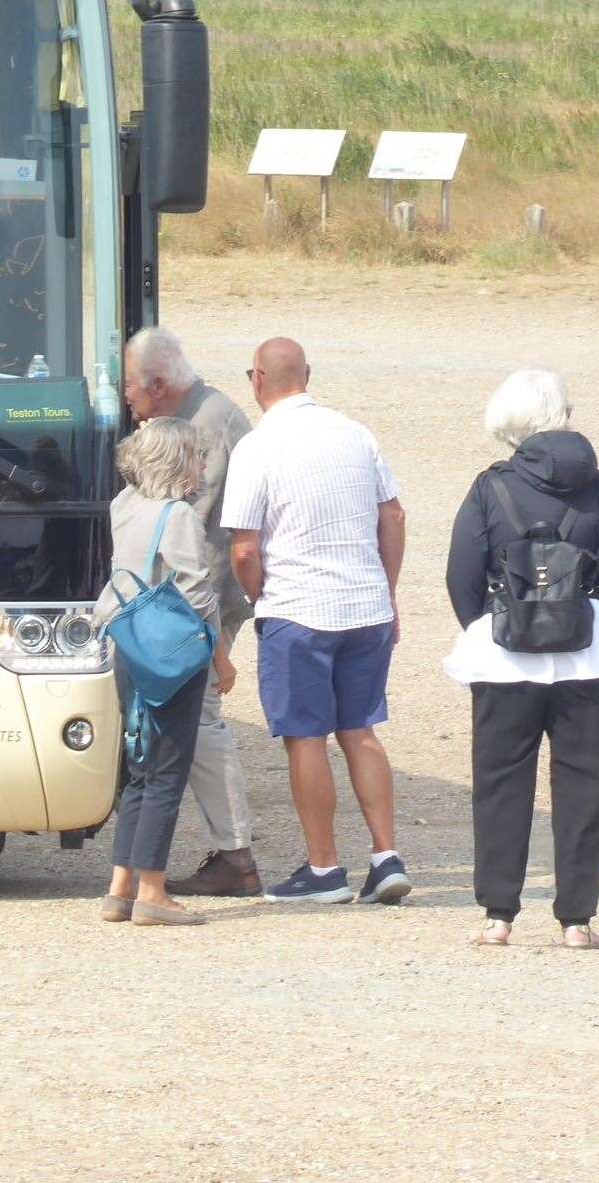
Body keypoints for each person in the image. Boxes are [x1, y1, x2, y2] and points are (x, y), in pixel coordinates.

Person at [442, 369, 599, 949]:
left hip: (506, 658)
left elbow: (461, 575)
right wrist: (594, 619)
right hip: (586, 656)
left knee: (500, 783)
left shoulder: (489, 486)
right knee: (582, 784)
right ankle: (577, 920)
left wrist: (494, 625)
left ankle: (498, 916)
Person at [220, 337, 412, 906]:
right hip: (365, 606)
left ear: (255, 379)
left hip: (297, 608)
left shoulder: (257, 448)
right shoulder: (356, 434)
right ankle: (386, 855)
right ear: (308, 374)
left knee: (305, 737)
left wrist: (262, 597)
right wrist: (388, 590)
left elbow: (243, 550)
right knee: (360, 729)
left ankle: (325, 867)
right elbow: (393, 513)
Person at [121, 326, 262, 897]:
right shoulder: (201, 414)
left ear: (156, 385)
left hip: (191, 613)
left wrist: (215, 645)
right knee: (187, 727)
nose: (123, 394)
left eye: (129, 384)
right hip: (183, 610)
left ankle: (237, 857)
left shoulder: (205, 428)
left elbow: (191, 553)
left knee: (200, 726)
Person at [92, 417, 232, 926]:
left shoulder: (123, 505)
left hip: (126, 639)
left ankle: (120, 886)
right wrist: (219, 654)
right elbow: (197, 592)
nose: (201, 465)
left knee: (138, 766)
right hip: (168, 651)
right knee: (168, 769)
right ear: (177, 462)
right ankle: (153, 891)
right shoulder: (177, 516)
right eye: (196, 456)